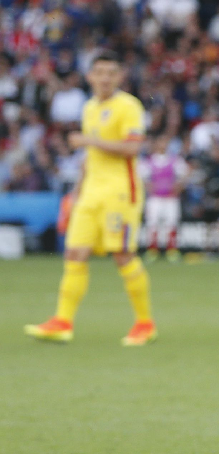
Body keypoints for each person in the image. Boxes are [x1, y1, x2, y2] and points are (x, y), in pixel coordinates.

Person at [25, 52, 156, 345]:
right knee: (74, 254)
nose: (105, 78)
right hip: (90, 192)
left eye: (111, 72)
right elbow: (90, 157)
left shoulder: (128, 106)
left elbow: (132, 148)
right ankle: (62, 321)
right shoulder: (89, 108)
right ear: (90, 76)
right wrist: (75, 193)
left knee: (123, 255)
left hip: (121, 192)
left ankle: (145, 323)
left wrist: (90, 140)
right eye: (100, 72)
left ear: (120, 77)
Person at [140, 135, 188, 262]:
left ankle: (172, 250)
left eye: (165, 142)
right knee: (152, 223)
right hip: (155, 198)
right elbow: (143, 178)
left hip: (171, 198)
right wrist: (149, 187)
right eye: (160, 142)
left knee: (171, 223)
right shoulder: (149, 161)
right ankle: (152, 250)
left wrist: (177, 187)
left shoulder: (175, 160)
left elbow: (184, 175)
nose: (163, 145)